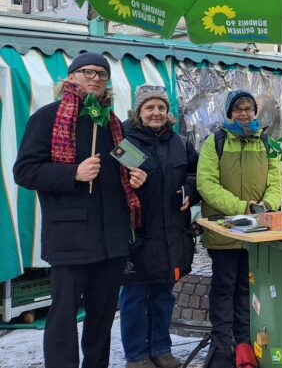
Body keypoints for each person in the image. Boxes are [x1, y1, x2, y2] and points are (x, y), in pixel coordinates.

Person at [13, 52, 147, 368]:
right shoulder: (47, 118)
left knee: (101, 320)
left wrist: (139, 175)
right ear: (71, 77)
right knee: (62, 319)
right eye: (88, 72)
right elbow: (25, 171)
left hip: (112, 239)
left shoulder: (112, 123)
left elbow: (130, 161)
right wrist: (72, 173)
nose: (96, 78)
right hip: (70, 238)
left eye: (102, 74)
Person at [197, 89, 282, 368]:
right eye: (238, 109)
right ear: (229, 113)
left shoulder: (267, 142)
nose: (244, 113)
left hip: (256, 232)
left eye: (249, 108)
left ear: (255, 112)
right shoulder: (216, 141)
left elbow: (277, 180)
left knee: (248, 289)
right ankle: (222, 345)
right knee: (223, 287)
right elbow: (206, 183)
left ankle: (245, 344)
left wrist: (267, 206)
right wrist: (240, 207)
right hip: (224, 231)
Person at [120, 85, 200, 368]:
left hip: (171, 234)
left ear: (168, 112)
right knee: (135, 297)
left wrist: (190, 190)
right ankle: (137, 355)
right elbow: (111, 183)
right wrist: (128, 184)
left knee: (163, 296)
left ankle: (161, 349)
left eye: (161, 108)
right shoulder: (125, 140)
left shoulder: (179, 142)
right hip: (139, 235)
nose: (156, 113)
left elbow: (195, 173)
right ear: (138, 111)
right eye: (150, 108)